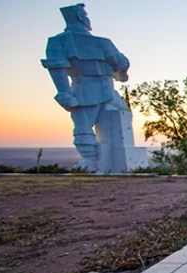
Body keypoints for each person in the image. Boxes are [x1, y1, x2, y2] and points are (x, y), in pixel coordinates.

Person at [41, 3, 130, 171]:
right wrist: (64, 93)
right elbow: (57, 67)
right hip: (93, 90)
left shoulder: (59, 41)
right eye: (85, 15)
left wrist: (65, 93)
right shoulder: (102, 42)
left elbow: (57, 68)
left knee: (87, 128)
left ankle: (97, 162)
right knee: (84, 128)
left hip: (90, 90)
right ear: (80, 17)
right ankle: (92, 162)